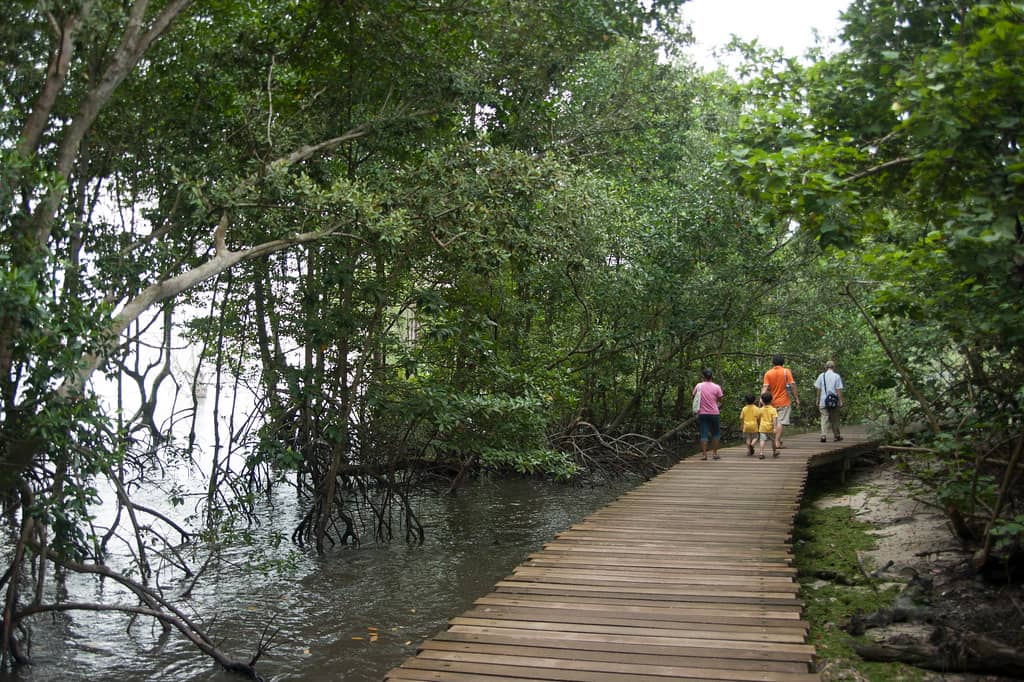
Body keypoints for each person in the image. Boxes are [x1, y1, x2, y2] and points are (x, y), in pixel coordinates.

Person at [762, 354, 800, 450]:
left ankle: (777, 440)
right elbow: (792, 385)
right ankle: (777, 441)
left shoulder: (768, 373)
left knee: (774, 422)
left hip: (771, 402)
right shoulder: (786, 371)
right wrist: (796, 398)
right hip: (784, 401)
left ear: (773, 362)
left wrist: (762, 400)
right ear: (783, 362)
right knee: (781, 422)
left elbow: (765, 388)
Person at [692, 367, 724, 460]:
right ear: (712, 376)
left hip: (702, 413)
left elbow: (694, 396)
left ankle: (704, 455)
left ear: (703, 376)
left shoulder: (698, 386)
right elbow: (721, 400)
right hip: (714, 413)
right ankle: (714, 454)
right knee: (716, 433)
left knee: (704, 434)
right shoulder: (717, 387)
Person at [814, 360, 845, 442]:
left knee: (824, 418)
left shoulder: (821, 376)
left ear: (826, 367)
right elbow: (838, 389)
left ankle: (823, 435)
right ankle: (836, 436)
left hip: (823, 400)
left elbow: (818, 389)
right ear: (833, 367)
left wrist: (817, 399)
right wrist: (841, 401)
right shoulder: (836, 376)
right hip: (833, 401)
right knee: (834, 418)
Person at [757, 391, 778, 459]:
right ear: (771, 400)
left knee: (762, 440)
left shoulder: (760, 409)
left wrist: (758, 424)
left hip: (762, 427)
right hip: (771, 428)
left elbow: (758, 418)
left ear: (762, 401)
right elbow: (774, 419)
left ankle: (761, 453)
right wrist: (775, 428)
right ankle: (774, 452)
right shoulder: (773, 409)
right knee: (773, 440)